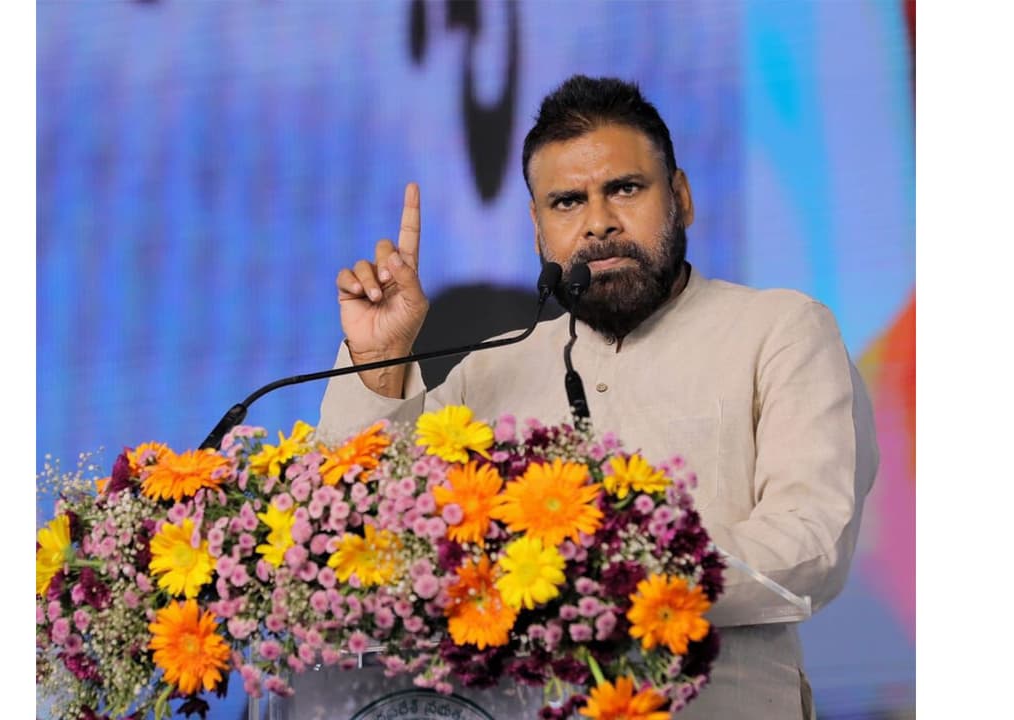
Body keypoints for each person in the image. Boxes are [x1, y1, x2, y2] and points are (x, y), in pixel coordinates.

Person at [319, 75, 878, 720]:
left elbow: (811, 545)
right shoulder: (493, 367)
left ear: (682, 197)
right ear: (538, 228)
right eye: (567, 202)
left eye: (625, 189)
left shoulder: (779, 331)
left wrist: (609, 576)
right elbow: (364, 531)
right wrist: (381, 358)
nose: (599, 223)